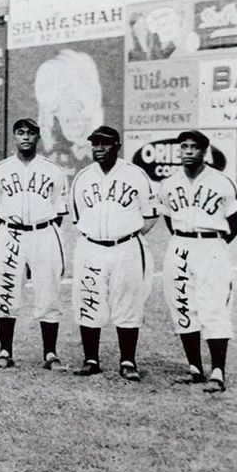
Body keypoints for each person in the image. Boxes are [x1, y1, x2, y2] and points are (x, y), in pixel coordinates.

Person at [68, 125, 157, 380]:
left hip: (126, 246)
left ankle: (128, 360)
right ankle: (91, 359)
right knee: (88, 299)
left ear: (117, 146)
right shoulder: (83, 177)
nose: (99, 148)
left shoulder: (136, 174)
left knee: (128, 301)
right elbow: (77, 218)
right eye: (95, 143)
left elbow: (150, 216)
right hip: (91, 246)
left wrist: (126, 235)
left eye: (105, 143)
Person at [159, 129, 237, 394]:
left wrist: (213, 245)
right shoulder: (169, 183)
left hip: (212, 244)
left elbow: (236, 223)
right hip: (181, 243)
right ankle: (195, 367)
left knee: (213, 305)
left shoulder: (222, 181)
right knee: (182, 302)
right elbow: (169, 220)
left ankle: (218, 370)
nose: (189, 151)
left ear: (205, 151)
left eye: (194, 147)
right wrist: (187, 241)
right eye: (184, 146)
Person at [0, 117, 70, 370]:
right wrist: (13, 234)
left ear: (38, 137)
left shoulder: (53, 171)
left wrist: (39, 232)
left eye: (31, 133)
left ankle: (50, 354)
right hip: (10, 233)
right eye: (21, 132)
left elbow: (59, 212)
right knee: (5, 292)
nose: (25, 137)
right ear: (14, 136)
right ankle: (4, 351)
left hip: (44, 232)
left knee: (48, 294)